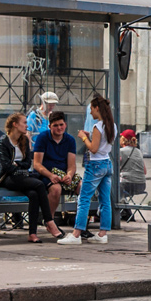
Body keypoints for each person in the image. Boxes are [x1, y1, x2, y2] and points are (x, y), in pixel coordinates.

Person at [0, 113, 63, 243]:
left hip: (21, 176)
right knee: (39, 184)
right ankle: (49, 221)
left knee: (34, 194)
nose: (27, 125)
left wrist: (17, 165)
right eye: (24, 123)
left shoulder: (24, 140)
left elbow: (27, 163)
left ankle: (32, 234)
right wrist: (18, 167)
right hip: (6, 178)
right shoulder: (3, 142)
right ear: (15, 124)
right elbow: (6, 166)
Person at [59, 95, 116, 245]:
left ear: (97, 108)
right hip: (107, 163)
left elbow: (94, 148)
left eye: (91, 109)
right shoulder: (112, 125)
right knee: (105, 200)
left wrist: (83, 138)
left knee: (84, 198)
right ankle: (103, 233)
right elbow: (103, 144)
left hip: (95, 165)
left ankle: (76, 234)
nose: (90, 112)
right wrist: (91, 136)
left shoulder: (98, 126)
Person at [31, 110, 76, 213]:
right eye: (55, 125)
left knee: (83, 187)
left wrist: (69, 175)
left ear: (65, 124)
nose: (59, 128)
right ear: (49, 126)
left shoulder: (70, 140)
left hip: (63, 174)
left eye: (61, 125)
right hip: (45, 175)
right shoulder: (42, 137)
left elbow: (72, 165)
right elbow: (37, 164)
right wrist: (51, 175)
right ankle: (49, 220)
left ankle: (79, 222)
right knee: (56, 189)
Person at [119, 130, 146, 204]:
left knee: (110, 188)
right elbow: (145, 171)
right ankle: (124, 207)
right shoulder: (139, 152)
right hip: (141, 186)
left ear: (124, 140)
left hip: (127, 185)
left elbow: (114, 169)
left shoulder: (121, 151)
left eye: (121, 137)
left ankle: (125, 211)